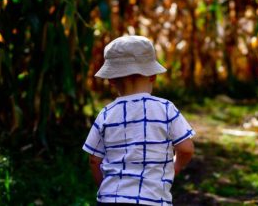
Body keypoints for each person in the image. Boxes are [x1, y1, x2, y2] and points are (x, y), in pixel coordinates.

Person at [83, 35, 195, 205]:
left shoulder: (106, 114)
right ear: (153, 76)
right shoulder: (166, 108)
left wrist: (106, 188)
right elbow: (186, 148)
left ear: (111, 79)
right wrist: (175, 166)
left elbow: (93, 159)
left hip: (110, 199)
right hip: (153, 200)